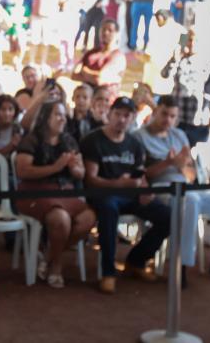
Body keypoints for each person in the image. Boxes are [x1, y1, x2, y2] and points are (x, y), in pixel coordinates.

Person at [133, 96, 210, 284]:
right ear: (155, 111)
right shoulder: (139, 136)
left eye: (172, 116)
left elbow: (191, 175)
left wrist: (182, 166)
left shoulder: (179, 135)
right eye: (164, 114)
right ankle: (180, 264)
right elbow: (141, 175)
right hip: (160, 188)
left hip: (187, 186)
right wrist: (169, 162)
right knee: (190, 200)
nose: (168, 120)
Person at [81, 97, 171, 294]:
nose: (121, 119)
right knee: (108, 208)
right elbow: (90, 180)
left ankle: (136, 261)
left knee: (168, 216)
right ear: (109, 114)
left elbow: (140, 174)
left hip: (130, 194)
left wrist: (145, 190)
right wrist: (118, 184)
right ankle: (108, 272)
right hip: (102, 195)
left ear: (132, 118)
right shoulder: (93, 140)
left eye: (126, 115)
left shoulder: (134, 144)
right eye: (118, 114)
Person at [15, 101, 96, 288]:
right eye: (58, 115)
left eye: (64, 115)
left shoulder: (68, 140)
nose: (63, 119)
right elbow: (23, 171)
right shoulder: (31, 140)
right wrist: (55, 167)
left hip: (63, 191)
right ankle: (56, 265)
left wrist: (75, 169)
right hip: (34, 191)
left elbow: (80, 173)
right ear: (45, 118)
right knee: (61, 219)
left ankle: (48, 256)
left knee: (89, 218)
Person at [161, 29, 210, 146]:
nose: (191, 43)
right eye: (188, 40)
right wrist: (175, 58)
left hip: (196, 118)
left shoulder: (206, 62)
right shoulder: (179, 59)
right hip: (178, 116)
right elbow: (164, 74)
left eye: (194, 41)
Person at [72, 18, 127, 96]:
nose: (105, 32)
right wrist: (94, 76)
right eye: (103, 29)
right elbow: (74, 74)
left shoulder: (118, 56)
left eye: (110, 30)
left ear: (117, 34)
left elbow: (99, 79)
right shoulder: (91, 53)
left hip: (106, 100)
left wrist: (84, 71)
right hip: (88, 99)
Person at [0, 94, 22, 159]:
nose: (7, 113)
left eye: (10, 109)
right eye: (2, 109)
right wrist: (10, 146)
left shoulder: (17, 128)